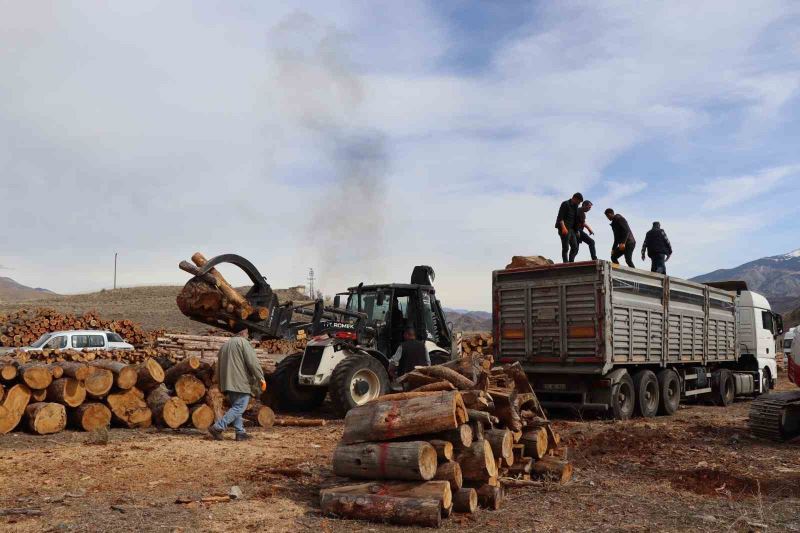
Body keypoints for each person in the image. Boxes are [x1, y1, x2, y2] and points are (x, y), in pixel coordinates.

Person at [208, 331, 266, 441]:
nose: (248, 335)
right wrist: (261, 378)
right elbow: (253, 363)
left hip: (228, 382)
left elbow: (218, 366)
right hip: (240, 382)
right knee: (239, 407)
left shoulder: (225, 345)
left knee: (236, 407)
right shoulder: (243, 343)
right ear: (243, 333)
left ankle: (240, 432)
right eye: (248, 333)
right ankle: (218, 427)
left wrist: (221, 383)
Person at [555, 192, 583, 263]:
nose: (579, 204)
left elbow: (575, 219)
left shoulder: (575, 207)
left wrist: (577, 231)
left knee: (575, 247)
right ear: (575, 198)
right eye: (579, 202)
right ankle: (566, 263)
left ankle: (571, 262)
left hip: (571, 229)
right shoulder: (565, 204)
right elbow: (560, 217)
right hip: (564, 228)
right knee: (566, 248)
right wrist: (563, 228)